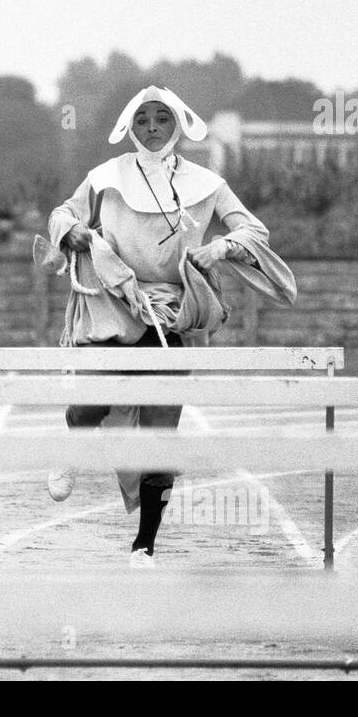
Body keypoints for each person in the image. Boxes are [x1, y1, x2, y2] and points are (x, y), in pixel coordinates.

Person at [36, 85, 296, 567]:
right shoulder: (104, 178)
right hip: (114, 304)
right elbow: (62, 214)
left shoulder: (207, 183)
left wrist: (222, 247)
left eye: (161, 119)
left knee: (160, 432)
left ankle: (144, 546)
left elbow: (253, 230)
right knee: (91, 403)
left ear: (177, 124)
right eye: (142, 120)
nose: (152, 128)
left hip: (173, 312)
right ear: (129, 128)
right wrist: (71, 231)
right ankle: (71, 445)